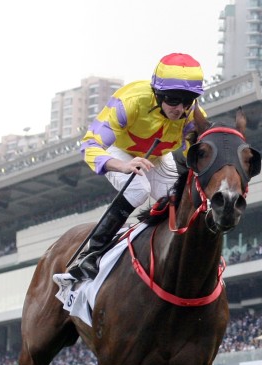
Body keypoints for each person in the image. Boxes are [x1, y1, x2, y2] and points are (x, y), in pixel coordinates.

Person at [70, 53, 205, 281]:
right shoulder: (130, 101)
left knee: (181, 200)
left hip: (157, 157)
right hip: (119, 151)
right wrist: (122, 166)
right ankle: (92, 252)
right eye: (173, 100)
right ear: (157, 93)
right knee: (138, 189)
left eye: (187, 101)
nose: (180, 109)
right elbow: (90, 145)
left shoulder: (191, 116)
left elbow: (197, 158)